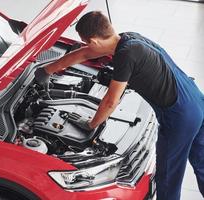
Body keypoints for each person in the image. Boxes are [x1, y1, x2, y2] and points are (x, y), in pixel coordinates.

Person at [34, 11, 204, 200]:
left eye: (87, 42)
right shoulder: (129, 39)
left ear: (94, 41)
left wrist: (90, 124)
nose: (87, 46)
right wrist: (47, 70)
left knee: (167, 176)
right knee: (202, 162)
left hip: (179, 116)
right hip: (196, 99)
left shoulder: (126, 55)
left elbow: (110, 101)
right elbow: (83, 53)